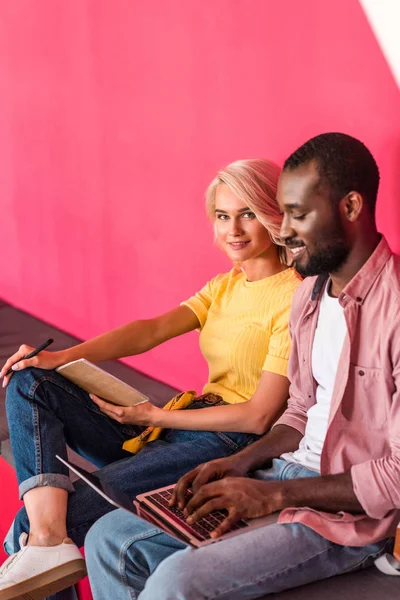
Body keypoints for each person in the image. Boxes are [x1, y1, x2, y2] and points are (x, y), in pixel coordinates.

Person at [83, 132, 400, 600]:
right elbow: (299, 412)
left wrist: (275, 497)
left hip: (345, 515)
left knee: (175, 581)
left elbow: (395, 475)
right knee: (109, 539)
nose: (284, 232)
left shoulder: (393, 309)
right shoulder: (310, 296)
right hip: (281, 474)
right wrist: (236, 462)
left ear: (350, 207)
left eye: (298, 214)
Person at [0, 159, 302, 600]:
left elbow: (259, 417)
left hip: (224, 442)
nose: (233, 229)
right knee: (31, 379)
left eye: (248, 213)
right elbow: (150, 331)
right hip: (172, 425)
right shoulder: (226, 285)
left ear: (274, 215)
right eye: (222, 216)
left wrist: (155, 414)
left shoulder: (295, 296)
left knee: (34, 523)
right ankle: (48, 544)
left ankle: (45, 542)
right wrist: (59, 356)